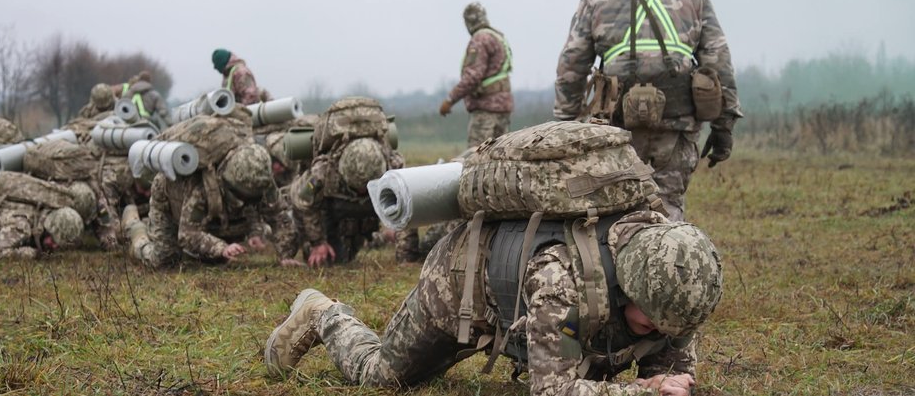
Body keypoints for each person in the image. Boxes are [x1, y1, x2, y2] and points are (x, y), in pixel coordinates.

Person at [264, 209, 722, 396]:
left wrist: (669, 381)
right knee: (383, 378)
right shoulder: (559, 280)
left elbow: (673, 373)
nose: (667, 334)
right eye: (656, 323)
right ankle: (322, 311)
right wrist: (641, 391)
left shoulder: (673, 283)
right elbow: (553, 390)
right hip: (463, 282)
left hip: (547, 313)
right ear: (627, 287)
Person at [552, 0, 743, 221]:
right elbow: (718, 61)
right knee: (668, 205)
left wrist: (564, 127)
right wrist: (723, 128)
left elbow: (572, 64)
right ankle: (667, 257)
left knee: (616, 206)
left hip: (616, 125)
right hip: (677, 121)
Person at [128, 143, 298, 267]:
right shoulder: (202, 188)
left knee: (214, 257)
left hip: (217, 217)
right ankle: (135, 229)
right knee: (165, 259)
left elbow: (280, 216)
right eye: (243, 196)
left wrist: (286, 255)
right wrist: (221, 248)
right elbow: (187, 234)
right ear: (228, 184)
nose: (248, 201)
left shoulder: (261, 182)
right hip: (171, 200)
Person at [289, 137, 419, 266]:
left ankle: (377, 238)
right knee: (331, 261)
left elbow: (407, 209)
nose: (362, 192)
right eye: (358, 187)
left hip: (361, 221)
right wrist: (317, 242)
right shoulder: (323, 172)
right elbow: (302, 201)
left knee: (346, 256)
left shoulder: (394, 168)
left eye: (366, 187)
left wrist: (406, 258)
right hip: (330, 218)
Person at [439, 2, 514, 147]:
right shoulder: (498, 37)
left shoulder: (480, 40)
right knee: (500, 158)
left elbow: (472, 77)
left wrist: (449, 100)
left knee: (477, 158)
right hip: (503, 108)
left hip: (485, 111)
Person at [0, 203, 83, 260]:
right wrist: (29, 254)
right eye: (53, 240)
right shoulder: (22, 227)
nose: (55, 247)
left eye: (59, 245)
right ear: (47, 228)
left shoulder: (39, 218)